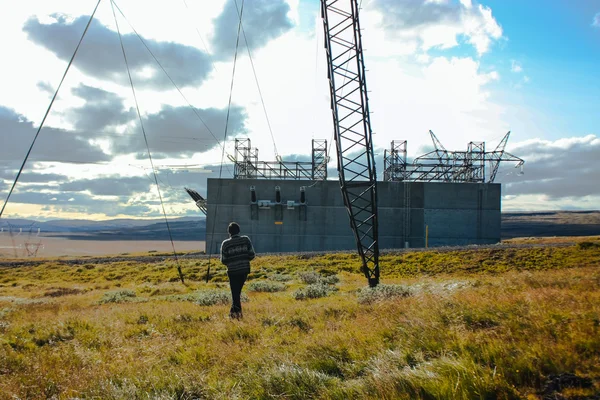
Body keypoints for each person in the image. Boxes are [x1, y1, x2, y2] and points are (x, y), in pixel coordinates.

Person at [220, 222, 255, 319]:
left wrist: (232, 263)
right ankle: (234, 314)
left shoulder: (225, 244)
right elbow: (252, 255)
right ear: (239, 231)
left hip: (232, 271)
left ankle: (236, 315)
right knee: (237, 293)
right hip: (244, 270)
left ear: (229, 232)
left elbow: (224, 260)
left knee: (235, 293)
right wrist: (244, 260)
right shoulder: (246, 240)